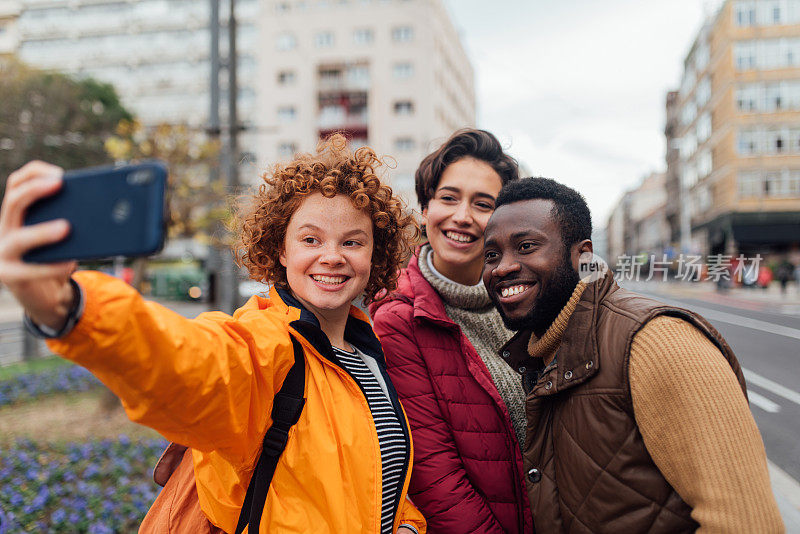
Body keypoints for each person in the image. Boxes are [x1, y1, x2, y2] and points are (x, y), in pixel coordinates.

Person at [0, 136, 426, 534]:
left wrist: (406, 524)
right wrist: (73, 308)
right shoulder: (264, 344)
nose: (331, 257)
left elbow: (378, 481)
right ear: (281, 250)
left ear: (375, 253)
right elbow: (186, 365)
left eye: (353, 242)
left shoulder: (370, 356)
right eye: (310, 238)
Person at [482, 177, 784, 533]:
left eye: (527, 246)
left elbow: (747, 524)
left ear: (583, 256)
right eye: (491, 255)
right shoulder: (541, 353)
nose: (502, 267)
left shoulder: (657, 341)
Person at [370, 129, 533, 533]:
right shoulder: (398, 320)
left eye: (483, 204)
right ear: (425, 209)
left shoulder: (529, 298)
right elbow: (437, 481)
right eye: (448, 197)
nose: (462, 216)